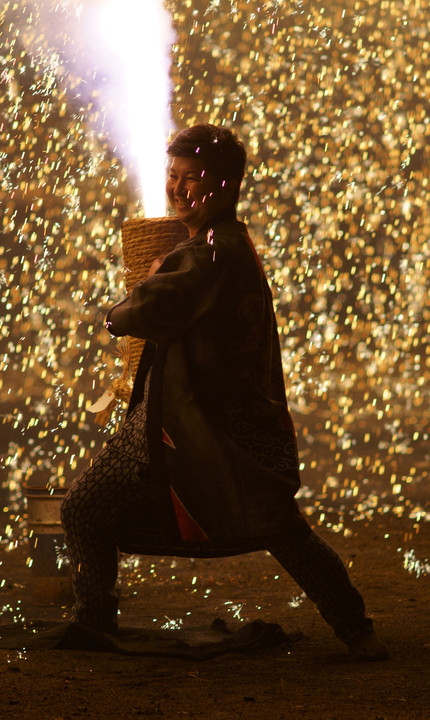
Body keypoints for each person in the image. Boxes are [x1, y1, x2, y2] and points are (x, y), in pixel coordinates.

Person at [61, 124, 387, 661]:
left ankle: (359, 632)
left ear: (227, 186)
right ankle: (357, 631)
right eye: (173, 176)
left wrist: (118, 311)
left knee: (274, 525)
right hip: (199, 417)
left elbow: (152, 309)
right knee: (274, 525)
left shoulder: (212, 251)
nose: (178, 188)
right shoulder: (222, 244)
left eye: (193, 179)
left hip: (199, 423)